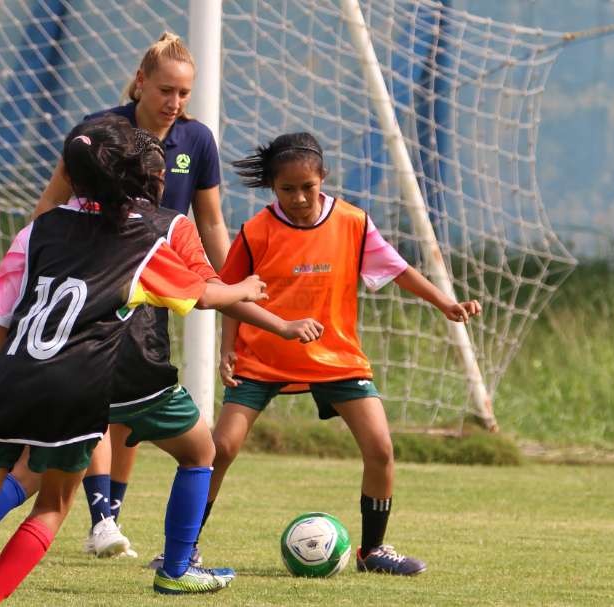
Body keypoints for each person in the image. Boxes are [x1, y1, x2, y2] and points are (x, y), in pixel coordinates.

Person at [0, 116, 267, 604]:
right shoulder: (144, 238)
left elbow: (4, 312)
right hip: (77, 383)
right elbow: (203, 295)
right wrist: (245, 287)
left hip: (10, 376)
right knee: (52, 507)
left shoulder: (38, 231)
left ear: (71, 176)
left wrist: (6, 375)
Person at [199, 132, 483, 576]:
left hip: (337, 357)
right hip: (264, 358)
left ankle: (373, 551)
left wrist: (443, 302)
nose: (298, 198)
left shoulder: (353, 222)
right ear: (273, 188)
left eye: (306, 188)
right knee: (221, 447)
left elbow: (398, 269)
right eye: (286, 190)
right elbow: (230, 293)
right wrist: (227, 349)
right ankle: (185, 547)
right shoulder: (257, 231)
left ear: (323, 179)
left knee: (380, 449)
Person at [34, 30, 231, 557]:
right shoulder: (97, 132)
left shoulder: (196, 141)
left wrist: (227, 284)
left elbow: (210, 223)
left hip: (153, 288)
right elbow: (50, 206)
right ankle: (100, 519)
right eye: (166, 90)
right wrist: (34, 266)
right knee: (100, 402)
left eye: (184, 93)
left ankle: (105, 517)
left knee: (130, 409)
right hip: (96, 284)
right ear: (140, 83)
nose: (175, 103)